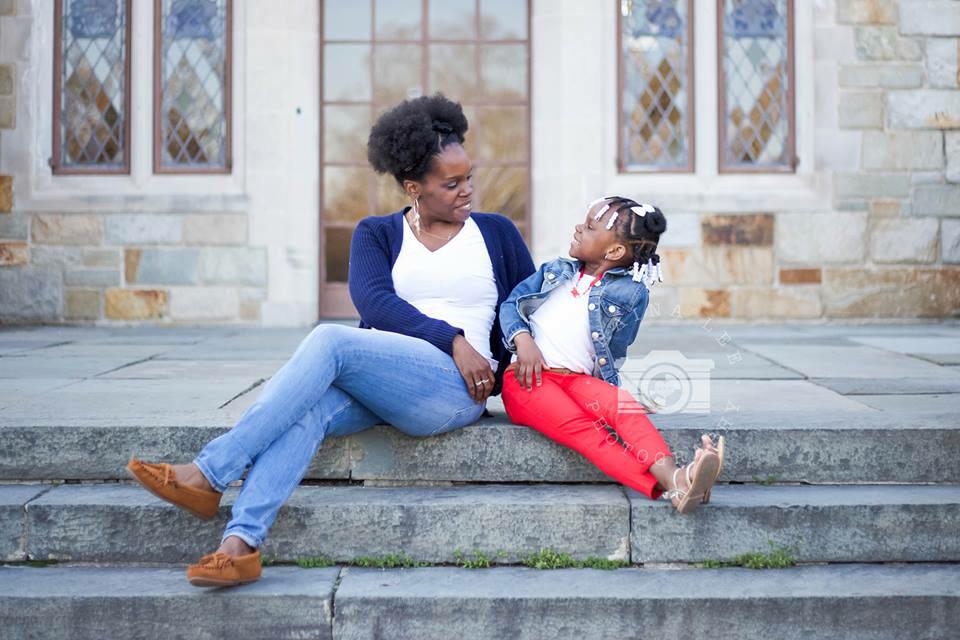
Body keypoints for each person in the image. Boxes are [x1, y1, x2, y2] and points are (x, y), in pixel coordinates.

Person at [126, 94, 535, 587]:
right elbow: (375, 303)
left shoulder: (495, 232)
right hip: (392, 377)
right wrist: (451, 337)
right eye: (451, 183)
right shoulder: (377, 234)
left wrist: (494, 355)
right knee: (309, 410)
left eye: (468, 177)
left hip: (455, 390)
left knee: (330, 342)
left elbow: (524, 306)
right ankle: (239, 547)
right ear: (413, 188)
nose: (467, 190)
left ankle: (210, 473)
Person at [499, 196, 725, 513]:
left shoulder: (630, 294)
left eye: (590, 227)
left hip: (578, 381)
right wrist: (522, 339)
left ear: (614, 252)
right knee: (588, 432)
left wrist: (612, 392)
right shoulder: (554, 271)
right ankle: (674, 486)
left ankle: (676, 478)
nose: (579, 228)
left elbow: (616, 349)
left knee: (625, 408)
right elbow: (511, 304)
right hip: (528, 380)